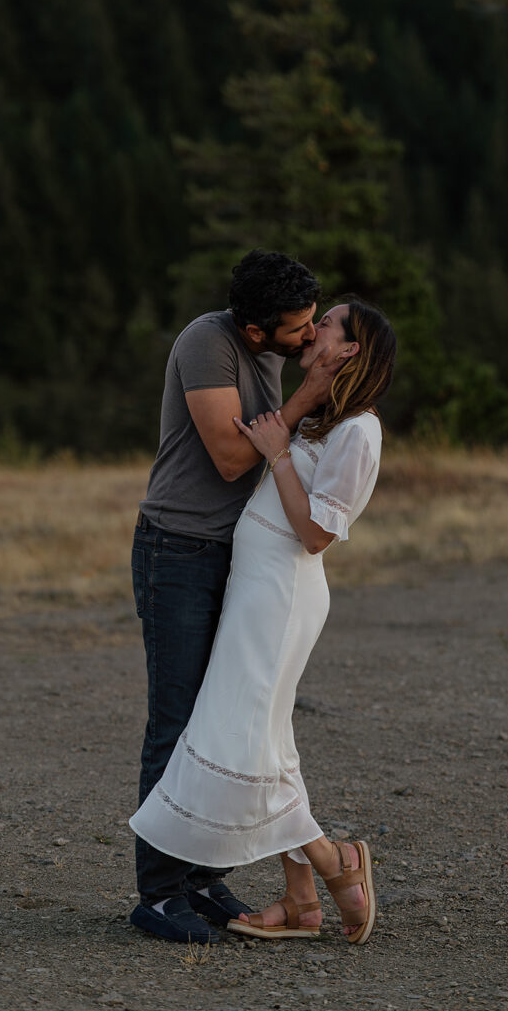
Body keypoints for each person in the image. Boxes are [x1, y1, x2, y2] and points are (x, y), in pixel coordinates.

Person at [130, 300, 397, 945]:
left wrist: (278, 455)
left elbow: (314, 534)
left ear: (350, 350)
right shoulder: (324, 416)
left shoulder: (360, 430)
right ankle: (304, 895)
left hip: (279, 600)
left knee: (247, 740)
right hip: (253, 591)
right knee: (266, 743)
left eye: (326, 324)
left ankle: (335, 864)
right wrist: (289, 437)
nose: (313, 332)